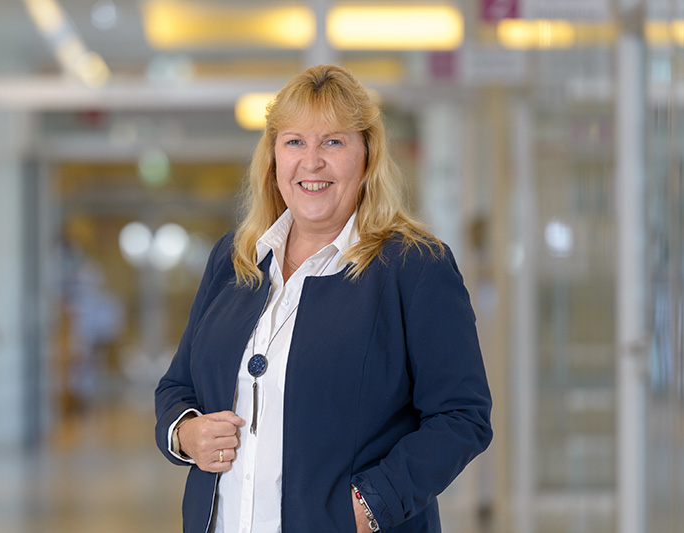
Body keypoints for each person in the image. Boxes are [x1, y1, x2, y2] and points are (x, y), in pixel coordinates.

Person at [155, 64, 492, 532]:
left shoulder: (414, 266)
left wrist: (371, 505)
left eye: (333, 142)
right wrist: (185, 432)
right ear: (273, 158)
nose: (311, 162)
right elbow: (177, 386)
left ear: (367, 155)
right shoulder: (237, 260)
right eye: (294, 141)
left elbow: (462, 416)